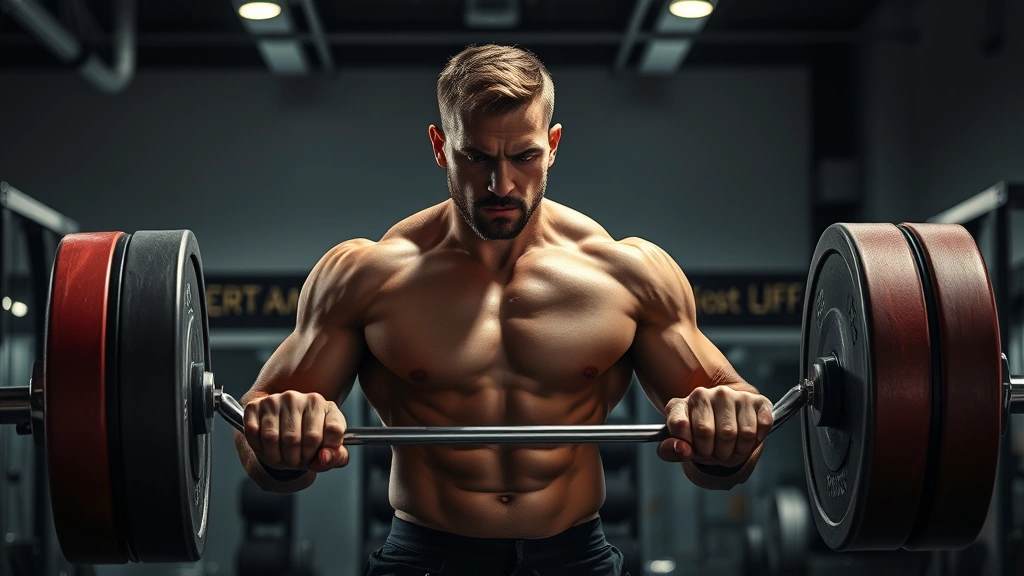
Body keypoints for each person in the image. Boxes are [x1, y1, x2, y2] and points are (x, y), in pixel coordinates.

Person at [233, 43, 774, 576]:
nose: (502, 184)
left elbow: (725, 464)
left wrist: (725, 435)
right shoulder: (368, 275)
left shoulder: (626, 273)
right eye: (477, 157)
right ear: (441, 146)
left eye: (524, 156)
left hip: (575, 558)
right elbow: (260, 450)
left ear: (553, 144)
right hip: (427, 558)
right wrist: (282, 445)